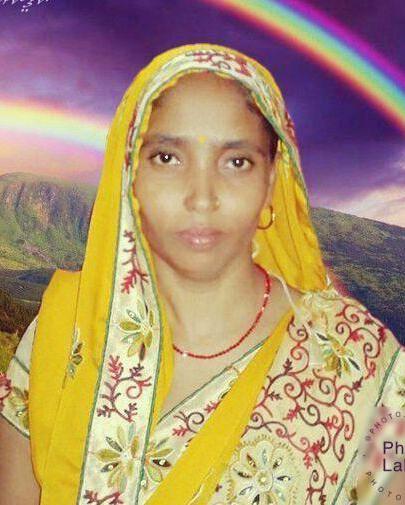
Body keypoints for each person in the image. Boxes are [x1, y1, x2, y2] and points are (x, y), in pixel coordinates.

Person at [0, 43, 403, 505]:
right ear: (129, 172)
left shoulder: (359, 363)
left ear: (272, 180)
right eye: (167, 158)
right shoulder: (63, 331)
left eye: (236, 162)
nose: (201, 197)